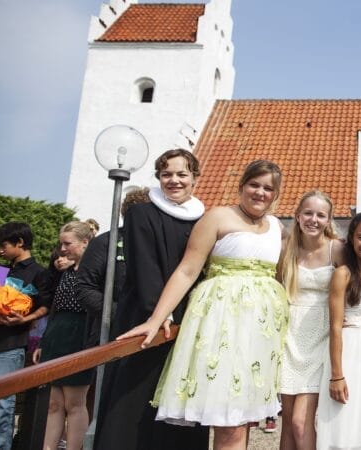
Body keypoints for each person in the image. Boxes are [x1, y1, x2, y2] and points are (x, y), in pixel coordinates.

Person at [120, 159, 289, 450]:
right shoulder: (217, 217)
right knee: (228, 419)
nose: (260, 192)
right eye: (254, 185)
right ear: (242, 186)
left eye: (268, 188)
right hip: (223, 324)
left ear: (275, 194)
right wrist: (157, 317)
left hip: (261, 333)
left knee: (245, 415)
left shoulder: (277, 228)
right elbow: (187, 270)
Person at [94, 149, 208, 450]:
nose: (174, 180)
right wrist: (159, 316)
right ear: (158, 177)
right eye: (167, 174)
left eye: (182, 174)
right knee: (133, 400)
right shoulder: (141, 214)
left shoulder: (204, 221)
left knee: (178, 402)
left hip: (187, 321)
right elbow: (145, 268)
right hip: (148, 317)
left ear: (195, 178)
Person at [316, 212, 361, 450]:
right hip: (349, 352)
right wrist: (337, 375)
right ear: (351, 239)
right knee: (344, 422)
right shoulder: (343, 274)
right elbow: (335, 327)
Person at [278, 190, 344, 450]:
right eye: (308, 213)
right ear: (297, 215)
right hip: (289, 337)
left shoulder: (337, 249)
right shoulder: (286, 249)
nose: (313, 219)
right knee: (287, 425)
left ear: (329, 219)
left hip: (321, 337)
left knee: (300, 422)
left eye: (320, 215)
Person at [0, 222, 50, 450]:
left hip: (10, 346)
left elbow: (46, 305)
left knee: (2, 402)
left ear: (20, 243)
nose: (0, 251)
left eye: (3, 245)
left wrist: (24, 319)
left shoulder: (39, 272)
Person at [34, 221, 96, 450]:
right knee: (54, 403)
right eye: (61, 243)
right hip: (57, 335)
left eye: (67, 243)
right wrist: (44, 340)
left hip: (79, 336)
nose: (62, 248)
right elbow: (55, 309)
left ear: (85, 242)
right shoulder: (65, 272)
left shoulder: (93, 272)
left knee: (75, 403)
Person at [77, 187, 150, 347]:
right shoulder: (105, 242)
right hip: (110, 331)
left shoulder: (156, 244)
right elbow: (84, 287)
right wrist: (119, 312)